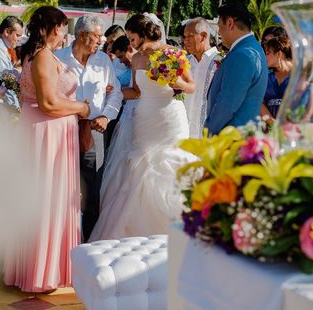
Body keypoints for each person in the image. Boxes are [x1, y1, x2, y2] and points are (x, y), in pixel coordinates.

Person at [3, 7, 90, 293]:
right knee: (47, 199)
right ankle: (42, 272)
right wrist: (83, 108)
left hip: (47, 132)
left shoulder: (35, 54)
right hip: (47, 134)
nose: (65, 33)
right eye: (64, 27)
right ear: (54, 28)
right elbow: (49, 103)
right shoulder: (41, 56)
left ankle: (43, 266)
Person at [89, 14, 196, 241]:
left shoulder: (174, 53)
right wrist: (112, 91)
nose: (130, 42)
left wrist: (174, 81)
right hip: (144, 118)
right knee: (141, 168)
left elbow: (191, 87)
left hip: (170, 119)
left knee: (170, 165)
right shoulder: (136, 59)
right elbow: (136, 92)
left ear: (144, 33)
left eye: (132, 37)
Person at [55, 15, 122, 241]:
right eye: (97, 36)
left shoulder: (103, 60)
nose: (101, 40)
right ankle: (64, 242)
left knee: (92, 191)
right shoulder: (59, 59)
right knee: (63, 189)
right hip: (64, 130)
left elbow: (116, 93)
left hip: (94, 132)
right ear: (83, 35)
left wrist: (106, 115)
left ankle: (89, 242)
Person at [205, 1, 268, 135]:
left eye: (219, 26)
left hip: (232, 140)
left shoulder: (242, 54)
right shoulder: (254, 48)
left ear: (229, 23)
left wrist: (208, 133)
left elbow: (226, 105)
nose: (219, 33)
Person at [262, 35, 313, 122]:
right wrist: (273, 123)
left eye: (268, 53)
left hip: (297, 128)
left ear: (279, 54)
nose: (264, 57)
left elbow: (312, 96)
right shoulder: (266, 76)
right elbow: (260, 104)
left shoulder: (301, 74)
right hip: (270, 131)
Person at [182, 18, 218, 138]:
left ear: (203, 36)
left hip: (208, 132)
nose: (185, 41)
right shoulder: (185, 62)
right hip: (185, 131)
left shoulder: (220, 62)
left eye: (190, 36)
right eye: (184, 37)